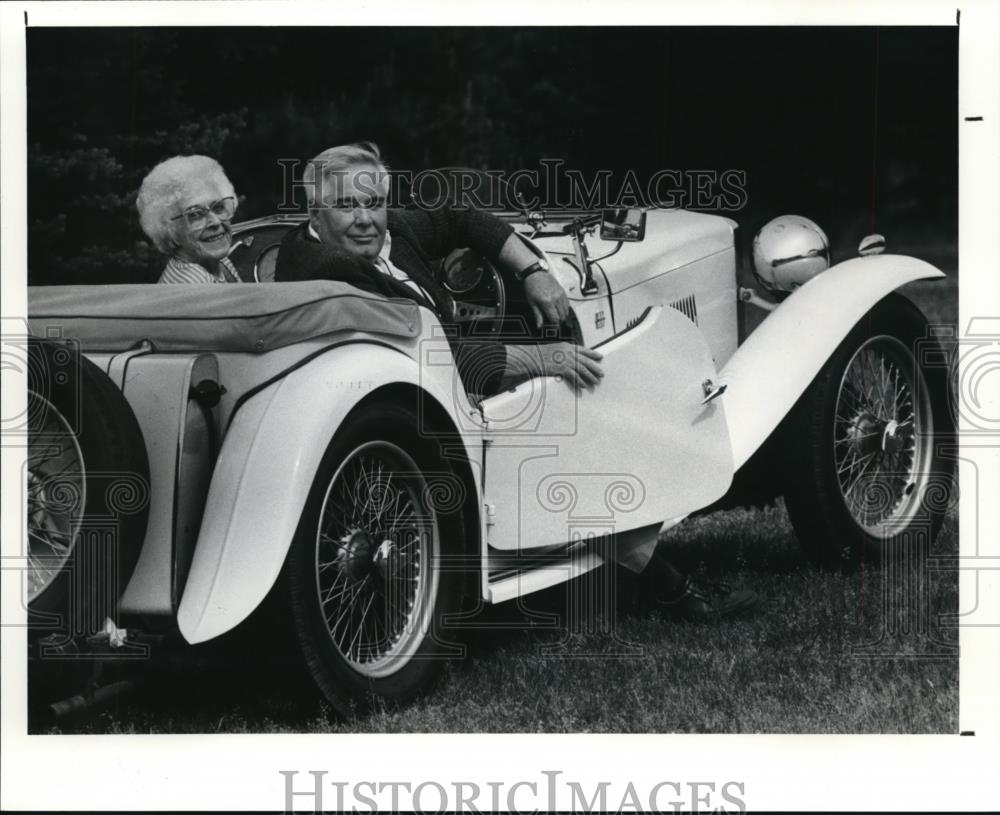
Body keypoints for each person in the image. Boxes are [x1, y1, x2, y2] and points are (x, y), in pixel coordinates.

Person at [276, 141, 759, 622]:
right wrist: (544, 357)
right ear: (314, 213)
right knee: (580, 410)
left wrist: (533, 270)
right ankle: (670, 586)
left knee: (575, 394)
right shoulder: (330, 273)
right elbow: (434, 357)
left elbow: (459, 216)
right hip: (428, 406)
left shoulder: (381, 237)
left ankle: (647, 531)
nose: (364, 218)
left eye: (372, 203)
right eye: (345, 206)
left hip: (434, 385)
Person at [137, 155, 242, 284]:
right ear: (170, 233)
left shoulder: (220, 263)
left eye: (219, 207)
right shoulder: (193, 285)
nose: (215, 222)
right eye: (195, 215)